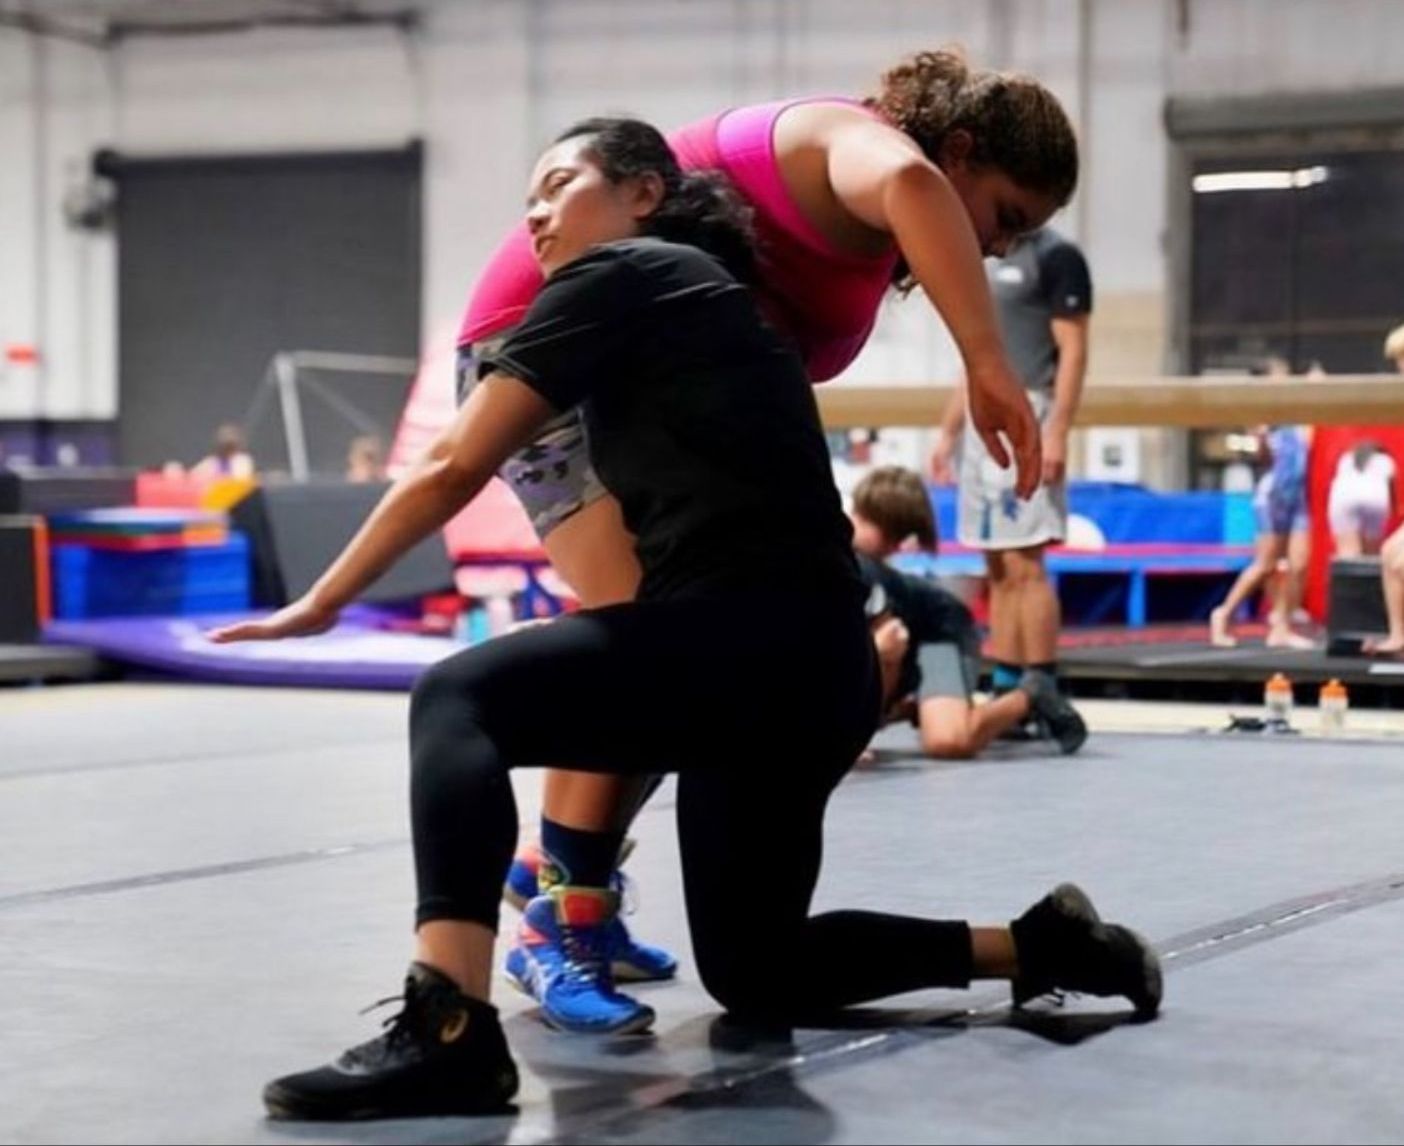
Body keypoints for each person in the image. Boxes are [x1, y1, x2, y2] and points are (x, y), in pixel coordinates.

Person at [210, 118, 1160, 1122]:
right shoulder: (715, 303)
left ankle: (448, 1025)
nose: (534, 212)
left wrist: (322, 599)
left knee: (459, 698)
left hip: (744, 644)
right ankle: (1038, 943)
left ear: (647, 194)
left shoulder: (622, 275)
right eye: (528, 192)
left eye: (560, 182)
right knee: (759, 966)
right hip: (813, 668)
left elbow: (456, 463)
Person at [455, 46, 1081, 1024]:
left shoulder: (870, 234)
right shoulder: (856, 144)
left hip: (625, 377)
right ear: (960, 152)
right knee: (649, 644)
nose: (1001, 251)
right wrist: (989, 365)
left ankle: (579, 891)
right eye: (1005, 217)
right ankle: (553, 922)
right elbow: (916, 184)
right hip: (547, 349)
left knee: (690, 655)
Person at [932, 226, 1091, 729]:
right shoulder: (983, 255)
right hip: (984, 420)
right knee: (997, 565)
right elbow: (976, 358)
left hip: (1032, 409)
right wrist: (948, 431)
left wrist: (1059, 430)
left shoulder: (1057, 256)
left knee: (1027, 562)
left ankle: (1041, 685)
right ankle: (1008, 686)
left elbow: (1074, 351)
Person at [850, 466, 1086, 759]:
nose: (894, 547)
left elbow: (892, 643)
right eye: (860, 516)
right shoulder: (836, 560)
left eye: (893, 533)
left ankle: (1033, 692)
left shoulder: (867, 572)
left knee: (948, 742)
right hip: (894, 651)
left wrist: (852, 737)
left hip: (938, 634)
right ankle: (917, 706)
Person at [1209, 359, 1314, 649]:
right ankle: (1223, 613)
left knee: (1301, 563)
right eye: (1280, 373)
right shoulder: (1265, 412)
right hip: (1274, 493)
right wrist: (1261, 438)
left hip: (1299, 495)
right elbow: (1263, 457)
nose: (1287, 376)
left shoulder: (1297, 408)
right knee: (1266, 564)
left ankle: (1282, 624)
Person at [1328, 441, 1395, 558]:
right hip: (1376, 499)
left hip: (1344, 498)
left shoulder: (1346, 459)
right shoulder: (1385, 460)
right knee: (1372, 554)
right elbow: (1390, 491)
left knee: (1347, 554)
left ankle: (1347, 573)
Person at [191, 422, 255, 479]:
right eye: (225, 446)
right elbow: (194, 478)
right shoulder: (209, 463)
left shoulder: (243, 461)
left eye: (230, 446)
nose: (227, 450)